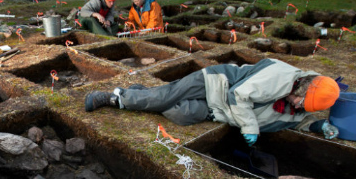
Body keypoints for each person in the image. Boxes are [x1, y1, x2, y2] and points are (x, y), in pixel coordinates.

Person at [84, 58, 341, 145]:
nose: (297, 107)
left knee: (179, 114)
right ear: (303, 86)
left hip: (216, 110)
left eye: (303, 108)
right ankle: (113, 98)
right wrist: (250, 128)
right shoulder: (279, 76)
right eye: (300, 102)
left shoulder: (298, 105)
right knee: (166, 96)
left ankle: (141, 93)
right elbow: (238, 95)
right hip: (215, 83)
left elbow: (298, 121)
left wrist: (318, 126)